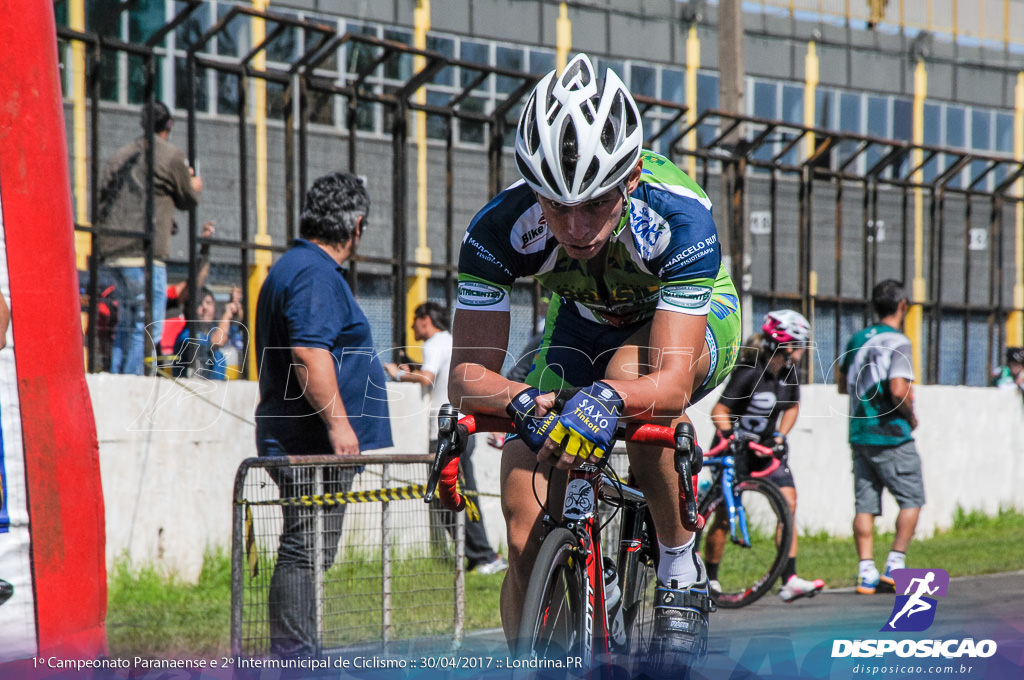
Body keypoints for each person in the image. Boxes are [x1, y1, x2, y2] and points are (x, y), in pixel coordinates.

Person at [447, 54, 741, 668]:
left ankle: (679, 562)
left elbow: (671, 380)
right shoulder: (498, 229)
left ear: (629, 179)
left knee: (632, 383)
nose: (576, 226)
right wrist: (521, 403)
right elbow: (467, 378)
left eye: (595, 203)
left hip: (689, 318)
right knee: (523, 511)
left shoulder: (678, 215)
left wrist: (606, 401)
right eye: (556, 206)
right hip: (581, 322)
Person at [254, 172, 393, 657]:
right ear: (356, 225)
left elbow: (327, 350)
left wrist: (376, 367)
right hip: (311, 444)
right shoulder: (315, 273)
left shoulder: (296, 266)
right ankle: (296, 658)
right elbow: (310, 353)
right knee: (305, 550)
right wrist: (339, 425)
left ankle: (299, 652)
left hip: (303, 440)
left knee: (310, 549)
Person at [709, 310, 825, 603]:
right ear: (787, 345)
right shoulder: (749, 370)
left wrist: (780, 436)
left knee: (788, 505)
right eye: (799, 344)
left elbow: (793, 407)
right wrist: (729, 436)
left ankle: (790, 579)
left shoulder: (788, 372)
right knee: (723, 517)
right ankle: (709, 580)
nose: (801, 351)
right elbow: (719, 411)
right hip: (735, 451)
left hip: (766, 452)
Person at [385, 302, 507, 575]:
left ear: (426, 320)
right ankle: (480, 555)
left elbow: (427, 379)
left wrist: (398, 374)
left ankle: (484, 556)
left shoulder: (433, 343)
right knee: (457, 494)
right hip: (462, 427)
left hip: (446, 431)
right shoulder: (451, 342)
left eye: (415, 321)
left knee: (455, 495)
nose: (412, 327)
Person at [95, 101, 202, 375]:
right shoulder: (169, 155)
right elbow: (187, 199)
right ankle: (134, 387)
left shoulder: (121, 155)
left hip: (112, 255)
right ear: (169, 126)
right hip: (144, 257)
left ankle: (118, 381)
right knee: (146, 328)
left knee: (127, 326)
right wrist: (195, 186)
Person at [837, 279, 925, 595]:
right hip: (891, 434)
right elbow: (899, 388)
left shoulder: (857, 339)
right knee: (912, 498)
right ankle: (895, 565)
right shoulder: (899, 341)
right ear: (902, 306)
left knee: (865, 504)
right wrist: (911, 416)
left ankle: (865, 572)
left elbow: (841, 382)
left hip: (860, 432)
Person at [171, 286, 241, 380]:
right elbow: (217, 342)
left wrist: (236, 305)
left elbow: (237, 323)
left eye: (208, 303)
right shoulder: (187, 335)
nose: (205, 308)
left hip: (216, 391)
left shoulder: (213, 330)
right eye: (199, 304)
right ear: (190, 309)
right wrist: (227, 314)